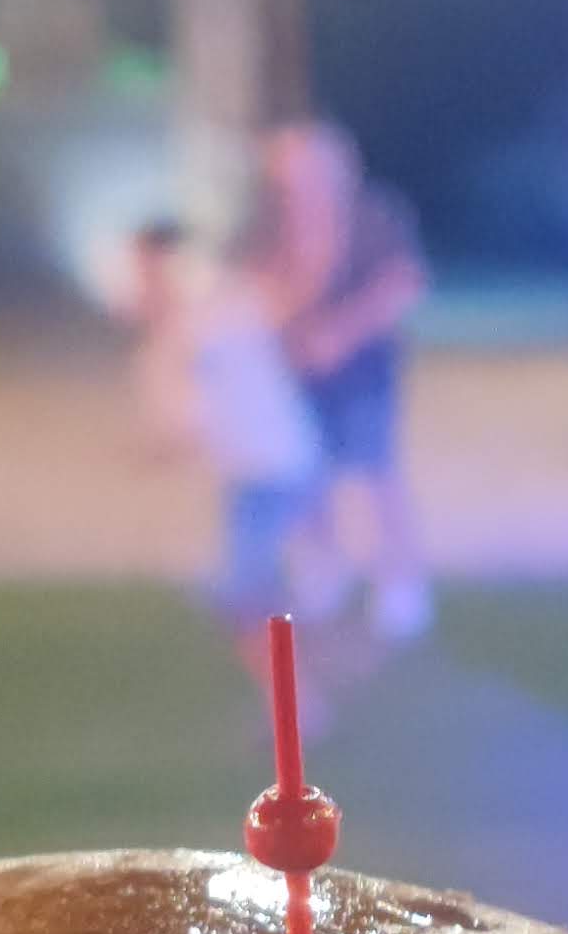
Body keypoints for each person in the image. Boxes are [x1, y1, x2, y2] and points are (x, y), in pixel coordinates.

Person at [116, 214, 339, 653]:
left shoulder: (207, 319)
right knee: (247, 591)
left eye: (144, 268)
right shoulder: (208, 315)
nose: (138, 284)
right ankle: (296, 665)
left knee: (248, 595)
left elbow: (187, 424)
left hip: (270, 466)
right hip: (261, 467)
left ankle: (300, 682)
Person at [256, 111, 430, 649]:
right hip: (293, 374)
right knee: (306, 478)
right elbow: (255, 286)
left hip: (364, 371)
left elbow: (403, 284)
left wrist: (340, 332)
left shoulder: (375, 216)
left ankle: (401, 584)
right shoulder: (271, 223)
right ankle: (322, 574)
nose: (299, 182)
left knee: (376, 476)